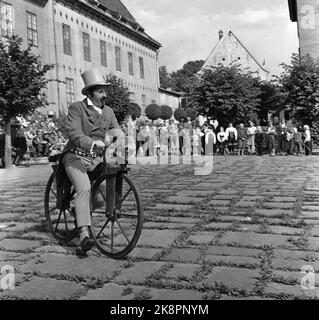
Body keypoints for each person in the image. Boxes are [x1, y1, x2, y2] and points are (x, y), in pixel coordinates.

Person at [59, 68, 122, 253]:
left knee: (104, 189)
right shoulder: (76, 108)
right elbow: (74, 133)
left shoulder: (108, 111)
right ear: (90, 92)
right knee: (84, 187)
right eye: (101, 91)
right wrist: (93, 143)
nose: (105, 95)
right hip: (75, 155)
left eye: (105, 91)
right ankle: (85, 235)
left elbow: (116, 130)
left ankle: (81, 212)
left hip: (96, 158)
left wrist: (121, 141)